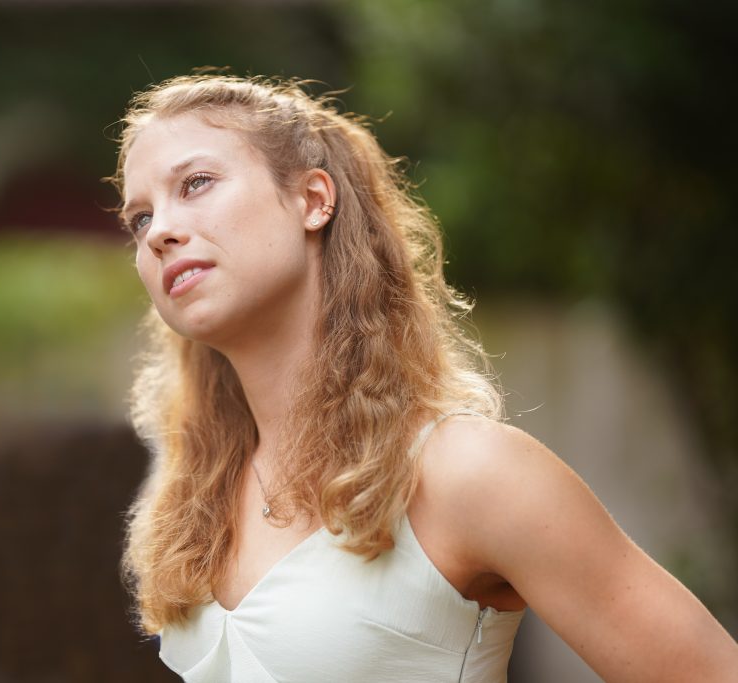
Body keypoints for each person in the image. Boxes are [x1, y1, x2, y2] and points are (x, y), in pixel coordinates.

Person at [107, 73, 737, 682]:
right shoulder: (199, 493)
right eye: (139, 218)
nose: (159, 231)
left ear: (313, 200)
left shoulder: (468, 471)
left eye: (196, 183)